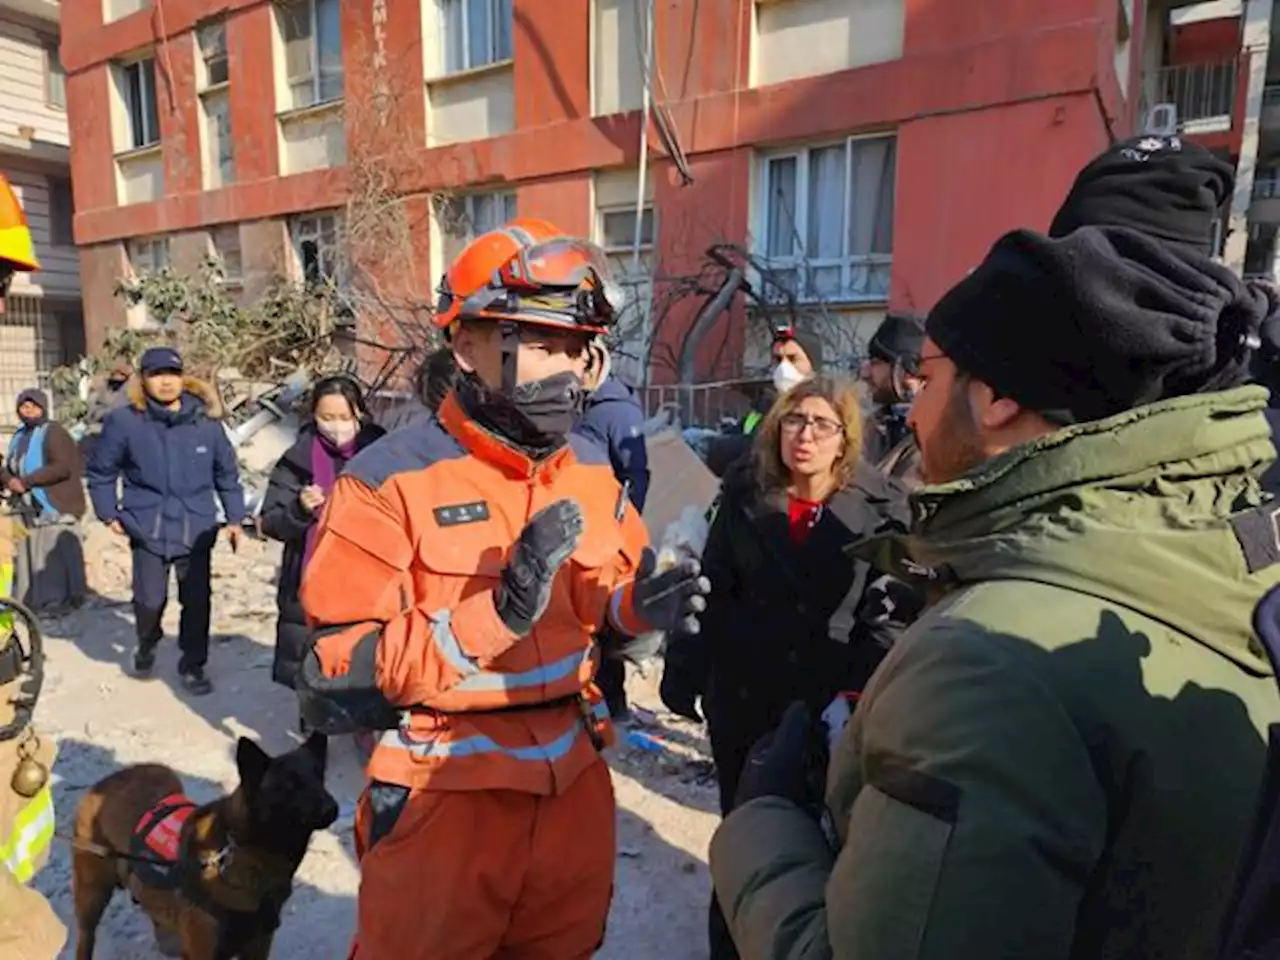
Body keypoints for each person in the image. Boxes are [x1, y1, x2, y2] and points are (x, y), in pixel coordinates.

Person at [709, 220, 1280, 958]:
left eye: (929, 378)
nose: (912, 408)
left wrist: (762, 820)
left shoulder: (992, 660)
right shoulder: (1218, 558)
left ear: (997, 395)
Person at [295, 218, 710, 959]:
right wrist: (496, 614)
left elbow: (602, 605)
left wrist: (639, 614)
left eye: (579, 349)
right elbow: (335, 669)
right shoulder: (386, 481)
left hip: (574, 789)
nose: (566, 368)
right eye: (543, 343)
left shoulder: (590, 471)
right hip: (444, 797)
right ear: (466, 346)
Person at [663, 376, 913, 960]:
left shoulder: (882, 510)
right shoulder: (745, 494)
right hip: (747, 694)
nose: (804, 436)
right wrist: (686, 664)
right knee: (744, 838)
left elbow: (888, 616)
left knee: (825, 846)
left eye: (821, 424)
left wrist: (861, 690)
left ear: (844, 439)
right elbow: (713, 588)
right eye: (794, 421)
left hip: (837, 704)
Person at [86, 346, 245, 696]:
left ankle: (192, 665)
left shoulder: (206, 424)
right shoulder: (125, 422)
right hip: (148, 525)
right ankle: (147, 640)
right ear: (144, 380)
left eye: (171, 374)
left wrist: (235, 517)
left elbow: (227, 475)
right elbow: (101, 471)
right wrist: (108, 511)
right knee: (149, 600)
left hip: (196, 526)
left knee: (197, 600)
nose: (166, 382)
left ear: (182, 377)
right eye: (156, 375)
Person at [259, 375, 384, 723]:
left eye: (344, 418)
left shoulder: (383, 454)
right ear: (313, 416)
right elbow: (271, 522)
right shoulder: (297, 460)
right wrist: (299, 508)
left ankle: (363, 720)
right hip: (310, 575)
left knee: (362, 654)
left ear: (360, 414)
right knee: (309, 653)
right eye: (326, 418)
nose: (336, 427)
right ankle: (312, 719)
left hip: (368, 578)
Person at [575, 339, 650, 721]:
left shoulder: (616, 411)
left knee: (604, 625)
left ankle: (612, 708)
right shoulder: (572, 405)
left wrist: (619, 528)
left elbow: (635, 474)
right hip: (571, 533)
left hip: (604, 537)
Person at [1, 388, 86, 611]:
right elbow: (9, 466)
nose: (28, 410)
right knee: (29, 555)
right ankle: (31, 604)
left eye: (33, 405)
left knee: (51, 557)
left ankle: (56, 603)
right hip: (27, 507)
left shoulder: (54, 432)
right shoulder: (20, 436)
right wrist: (9, 480)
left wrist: (26, 482)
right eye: (23, 406)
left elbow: (61, 467)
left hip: (54, 503)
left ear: (43, 407)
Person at [707, 323, 824, 477]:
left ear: (813, 367)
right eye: (778, 359)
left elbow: (764, 450)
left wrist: (719, 448)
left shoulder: (822, 412)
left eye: (792, 359)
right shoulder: (764, 406)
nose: (783, 368)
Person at [860, 313, 924, 482]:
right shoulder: (872, 428)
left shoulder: (935, 437)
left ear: (905, 369)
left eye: (875, 363)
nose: (865, 373)